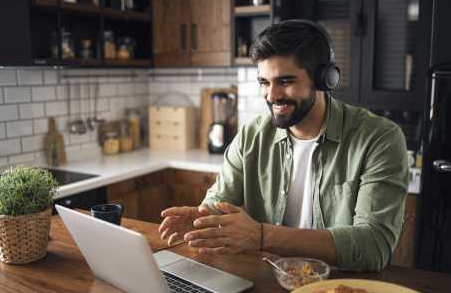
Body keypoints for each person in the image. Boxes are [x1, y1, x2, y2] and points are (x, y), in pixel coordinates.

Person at [158, 20, 409, 272]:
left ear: (324, 80)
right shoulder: (252, 136)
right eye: (264, 82)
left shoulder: (379, 138)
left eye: (285, 81)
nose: (271, 95)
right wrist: (203, 219)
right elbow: (220, 202)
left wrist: (263, 236)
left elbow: (374, 245)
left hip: (338, 288)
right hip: (268, 280)